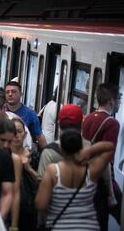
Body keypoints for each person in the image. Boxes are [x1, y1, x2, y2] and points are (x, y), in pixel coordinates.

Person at [35, 129, 114, 230]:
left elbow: (41, 205)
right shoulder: (91, 170)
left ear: (60, 147)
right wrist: (89, 150)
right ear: (81, 147)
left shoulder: (53, 171)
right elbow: (110, 147)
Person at [82, 83, 121, 231]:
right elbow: (105, 162)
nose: (120, 102)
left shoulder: (89, 117)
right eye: (119, 98)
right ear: (111, 100)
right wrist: (111, 194)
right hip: (101, 183)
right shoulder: (112, 124)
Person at [10, 118, 39, 231]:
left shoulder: (34, 156)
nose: (16, 135)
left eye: (20, 131)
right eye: (13, 132)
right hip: (9, 206)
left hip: (30, 208)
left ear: (25, 134)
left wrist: (29, 169)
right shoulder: (4, 156)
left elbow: (42, 182)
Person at [5, 81, 47, 149]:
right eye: (7, 92)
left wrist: (48, 154)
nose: (10, 94)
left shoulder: (30, 114)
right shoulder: (0, 111)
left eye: (13, 91)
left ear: (21, 94)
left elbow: (39, 136)